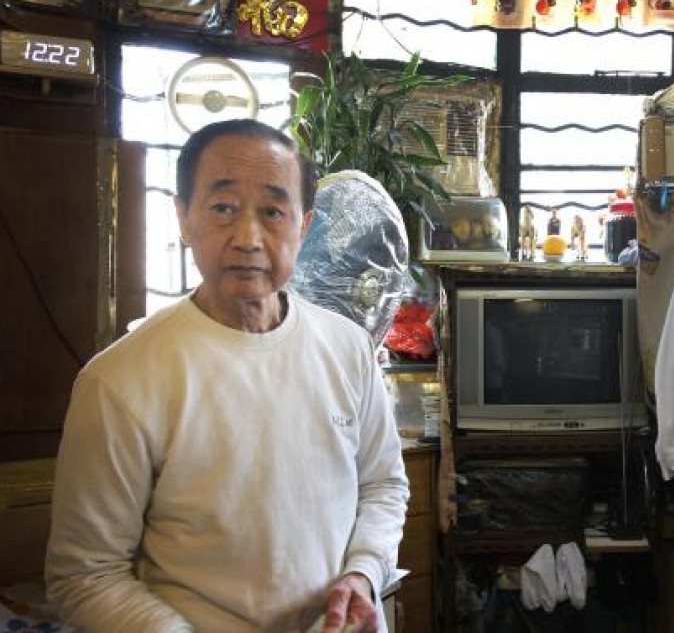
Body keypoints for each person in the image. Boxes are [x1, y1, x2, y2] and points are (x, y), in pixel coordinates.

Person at [45, 118, 410, 632]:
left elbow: (383, 485)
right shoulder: (119, 381)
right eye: (222, 208)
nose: (248, 237)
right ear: (184, 219)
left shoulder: (347, 347)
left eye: (272, 211)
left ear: (302, 227)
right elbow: (84, 574)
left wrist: (364, 572)